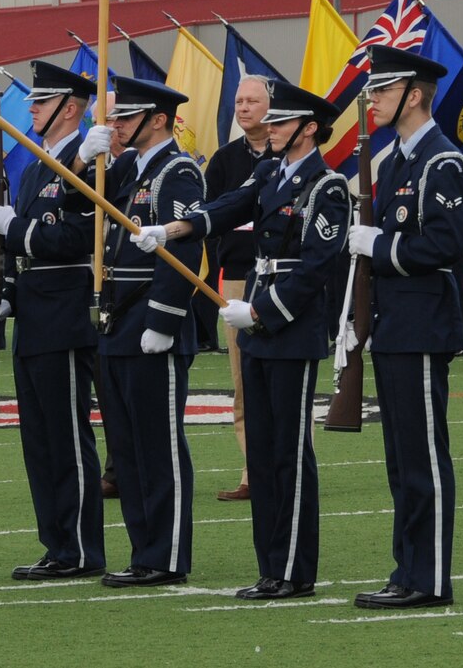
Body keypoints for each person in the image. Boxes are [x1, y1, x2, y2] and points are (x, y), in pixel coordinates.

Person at [158, 79, 349, 600]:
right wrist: (173, 231)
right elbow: (228, 206)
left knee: (288, 451)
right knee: (263, 453)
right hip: (258, 323)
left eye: (281, 123)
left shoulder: (325, 187)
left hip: (288, 327)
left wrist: (260, 311)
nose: (270, 130)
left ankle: (293, 570)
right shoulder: (270, 171)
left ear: (308, 130)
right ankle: (271, 567)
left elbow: (314, 271)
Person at [344, 44, 463, 610]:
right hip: (392, 323)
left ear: (413, 95)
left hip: (422, 323)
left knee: (423, 458)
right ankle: (407, 569)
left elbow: (444, 244)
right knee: (400, 460)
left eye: (383, 90)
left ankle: (431, 578)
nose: (372, 99)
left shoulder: (442, 162)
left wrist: (380, 245)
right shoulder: (392, 161)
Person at [0, 61, 108, 581]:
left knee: (68, 436)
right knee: (38, 439)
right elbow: (25, 249)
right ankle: (56, 544)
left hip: (65, 310)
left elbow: (78, 240)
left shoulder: (85, 163)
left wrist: (14, 227)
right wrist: (6, 292)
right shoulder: (35, 164)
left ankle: (80, 548)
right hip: (33, 310)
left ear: (69, 108)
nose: (30, 109)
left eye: (40, 101)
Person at [95, 76, 207, 588]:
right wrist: (82, 154)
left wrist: (163, 318)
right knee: (127, 446)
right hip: (118, 322)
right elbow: (87, 201)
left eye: (125, 116)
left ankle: (166, 555)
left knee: (157, 444)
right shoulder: (128, 169)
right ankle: (143, 550)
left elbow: (183, 249)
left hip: (150, 324)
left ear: (157, 119)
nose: (115, 124)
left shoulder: (177, 171)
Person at [200, 74, 273, 503]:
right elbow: (209, 218)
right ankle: (253, 471)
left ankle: (290, 461)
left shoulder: (292, 154)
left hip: (282, 280)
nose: (243, 108)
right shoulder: (224, 160)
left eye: (252, 101)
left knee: (282, 375)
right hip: (238, 278)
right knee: (243, 381)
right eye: (239, 101)